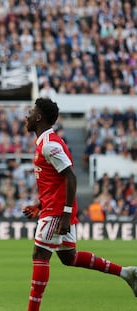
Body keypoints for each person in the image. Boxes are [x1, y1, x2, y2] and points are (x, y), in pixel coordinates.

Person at [22, 98, 137, 311]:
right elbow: (56, 181)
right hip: (54, 207)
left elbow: (71, 177)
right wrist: (39, 204)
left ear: (38, 117)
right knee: (69, 257)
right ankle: (126, 272)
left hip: (57, 212)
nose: (26, 116)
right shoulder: (45, 142)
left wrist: (65, 214)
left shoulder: (50, 145)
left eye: (30, 112)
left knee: (40, 255)